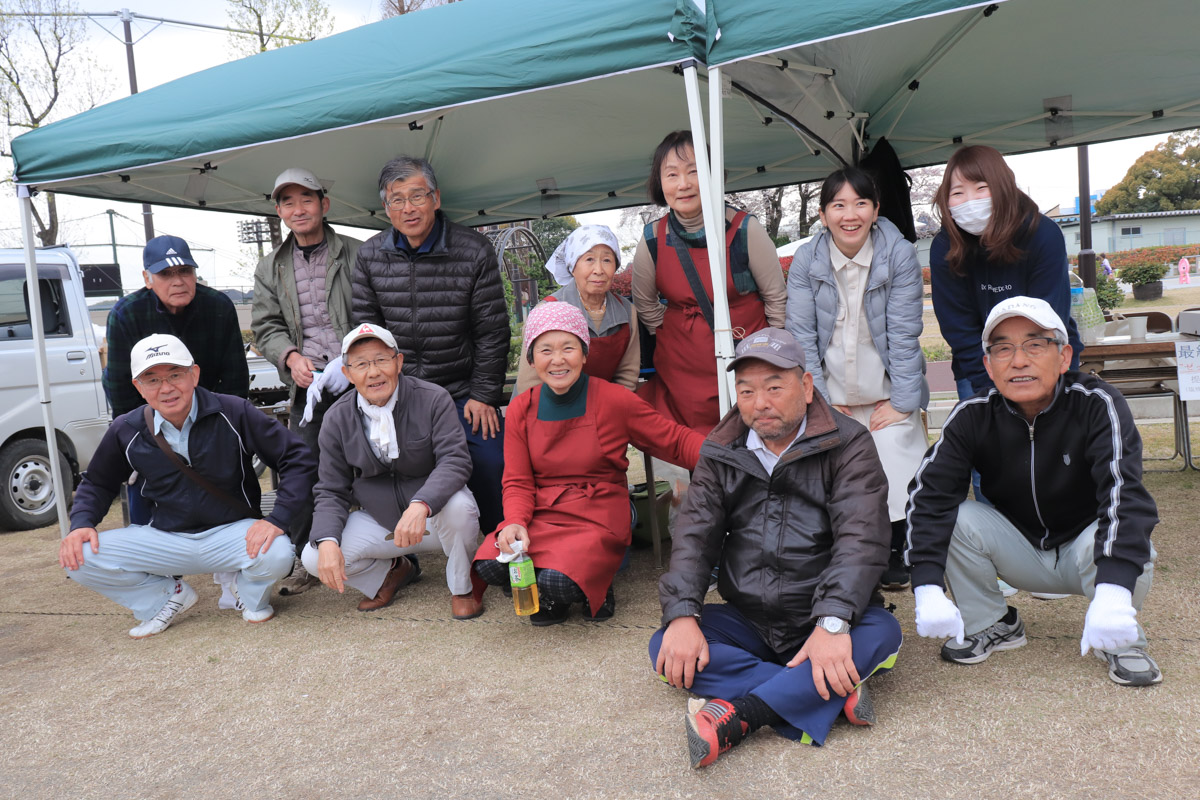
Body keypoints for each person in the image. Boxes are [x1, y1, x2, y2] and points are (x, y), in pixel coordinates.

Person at [650, 327, 902, 768]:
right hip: (750, 617)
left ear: (806, 387)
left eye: (773, 387)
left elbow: (862, 539)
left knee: (883, 634)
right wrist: (683, 613)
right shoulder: (722, 448)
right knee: (666, 646)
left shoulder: (849, 443)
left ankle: (743, 716)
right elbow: (695, 534)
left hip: (821, 615)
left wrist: (833, 622)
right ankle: (829, 694)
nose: (759, 403)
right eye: (746, 390)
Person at [904, 297, 1160, 687]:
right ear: (988, 365)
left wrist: (1113, 593)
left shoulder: (1098, 403)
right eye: (1003, 348)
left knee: (1126, 532)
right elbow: (930, 496)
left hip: (1085, 551)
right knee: (958, 517)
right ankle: (993, 623)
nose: (1018, 360)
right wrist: (925, 585)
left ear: (1064, 355)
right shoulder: (973, 414)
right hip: (1020, 548)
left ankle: (1119, 634)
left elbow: (1126, 496)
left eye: (1035, 345)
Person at [60, 334, 316, 638]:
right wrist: (81, 523)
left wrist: (277, 519)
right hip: (166, 537)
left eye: (175, 375)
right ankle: (165, 597)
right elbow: (98, 483)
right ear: (138, 388)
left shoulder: (233, 411)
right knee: (78, 557)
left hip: (233, 533)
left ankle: (247, 595)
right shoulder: (126, 429)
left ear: (194, 374)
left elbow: (297, 458)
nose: (166, 388)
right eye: (152, 379)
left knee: (278, 552)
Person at [472, 302, 703, 625]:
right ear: (531, 359)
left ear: (584, 353)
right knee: (492, 564)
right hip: (544, 511)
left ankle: (590, 586)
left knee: (556, 580)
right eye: (545, 350)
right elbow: (518, 480)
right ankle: (555, 593)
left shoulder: (613, 399)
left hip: (598, 512)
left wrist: (730, 455)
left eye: (568, 347)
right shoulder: (522, 409)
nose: (557, 360)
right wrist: (515, 521)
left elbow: (674, 440)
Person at [786, 167, 927, 591]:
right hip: (833, 393)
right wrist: (822, 400)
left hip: (887, 388)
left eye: (860, 203)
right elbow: (802, 337)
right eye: (838, 205)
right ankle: (848, 551)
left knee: (895, 457)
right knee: (835, 468)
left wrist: (902, 401)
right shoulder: (806, 262)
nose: (850, 215)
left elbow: (904, 333)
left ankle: (898, 547)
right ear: (823, 214)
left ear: (876, 208)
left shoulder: (898, 254)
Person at [353, 155, 509, 534]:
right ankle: (401, 559)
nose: (408, 208)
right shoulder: (370, 255)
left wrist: (484, 395)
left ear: (436, 198)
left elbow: (492, 330)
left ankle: (498, 548)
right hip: (399, 394)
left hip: (461, 391)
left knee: (491, 462)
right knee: (374, 469)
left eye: (417, 196)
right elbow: (365, 333)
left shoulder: (473, 250)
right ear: (386, 207)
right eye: (397, 199)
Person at [303, 323, 483, 618]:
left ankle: (463, 587)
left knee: (461, 508)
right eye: (361, 364)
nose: (373, 372)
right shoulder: (337, 418)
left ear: (398, 362)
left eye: (381, 360)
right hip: (382, 519)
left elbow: (455, 460)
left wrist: (422, 504)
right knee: (314, 554)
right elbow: (331, 489)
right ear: (347, 374)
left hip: (433, 515)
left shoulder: (432, 398)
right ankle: (392, 572)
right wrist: (326, 540)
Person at [251, 167, 363, 595]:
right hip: (308, 387)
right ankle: (302, 555)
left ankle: (398, 554)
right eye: (288, 202)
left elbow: (375, 309)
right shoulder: (270, 268)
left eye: (307, 199)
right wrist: (290, 356)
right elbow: (266, 326)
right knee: (300, 467)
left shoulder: (356, 253)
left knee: (378, 461)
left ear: (324, 204)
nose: (299, 209)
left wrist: (352, 358)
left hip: (362, 376)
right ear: (279, 210)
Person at [631, 130, 786, 434]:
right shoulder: (652, 238)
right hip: (681, 373)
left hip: (747, 362)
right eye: (672, 174)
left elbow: (776, 300)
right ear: (660, 183)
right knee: (696, 453)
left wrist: (770, 356)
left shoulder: (745, 229)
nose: (683, 184)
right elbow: (645, 303)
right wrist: (671, 329)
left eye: (694, 171)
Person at [104, 235, 250, 525]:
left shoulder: (219, 306)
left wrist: (216, 428)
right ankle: (158, 561)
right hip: (150, 420)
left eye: (185, 271)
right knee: (148, 490)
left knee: (227, 497)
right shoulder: (125, 314)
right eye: (166, 274)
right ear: (147, 278)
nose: (178, 281)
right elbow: (121, 388)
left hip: (211, 416)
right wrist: (142, 437)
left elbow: (235, 378)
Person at [931, 145, 1084, 401]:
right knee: (989, 439)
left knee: (1053, 439)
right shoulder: (945, 246)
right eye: (957, 193)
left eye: (981, 188)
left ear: (1003, 187)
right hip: (978, 368)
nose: (970, 201)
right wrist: (989, 384)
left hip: (1047, 362)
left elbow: (1048, 316)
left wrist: (1029, 376)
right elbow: (957, 325)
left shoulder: (1042, 234)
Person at [514, 224, 640, 394]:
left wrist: (608, 411)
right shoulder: (547, 310)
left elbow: (627, 375)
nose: (599, 270)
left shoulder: (626, 311)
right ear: (572, 266)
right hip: (549, 410)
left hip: (606, 408)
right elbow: (529, 384)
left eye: (607, 260)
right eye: (589, 259)